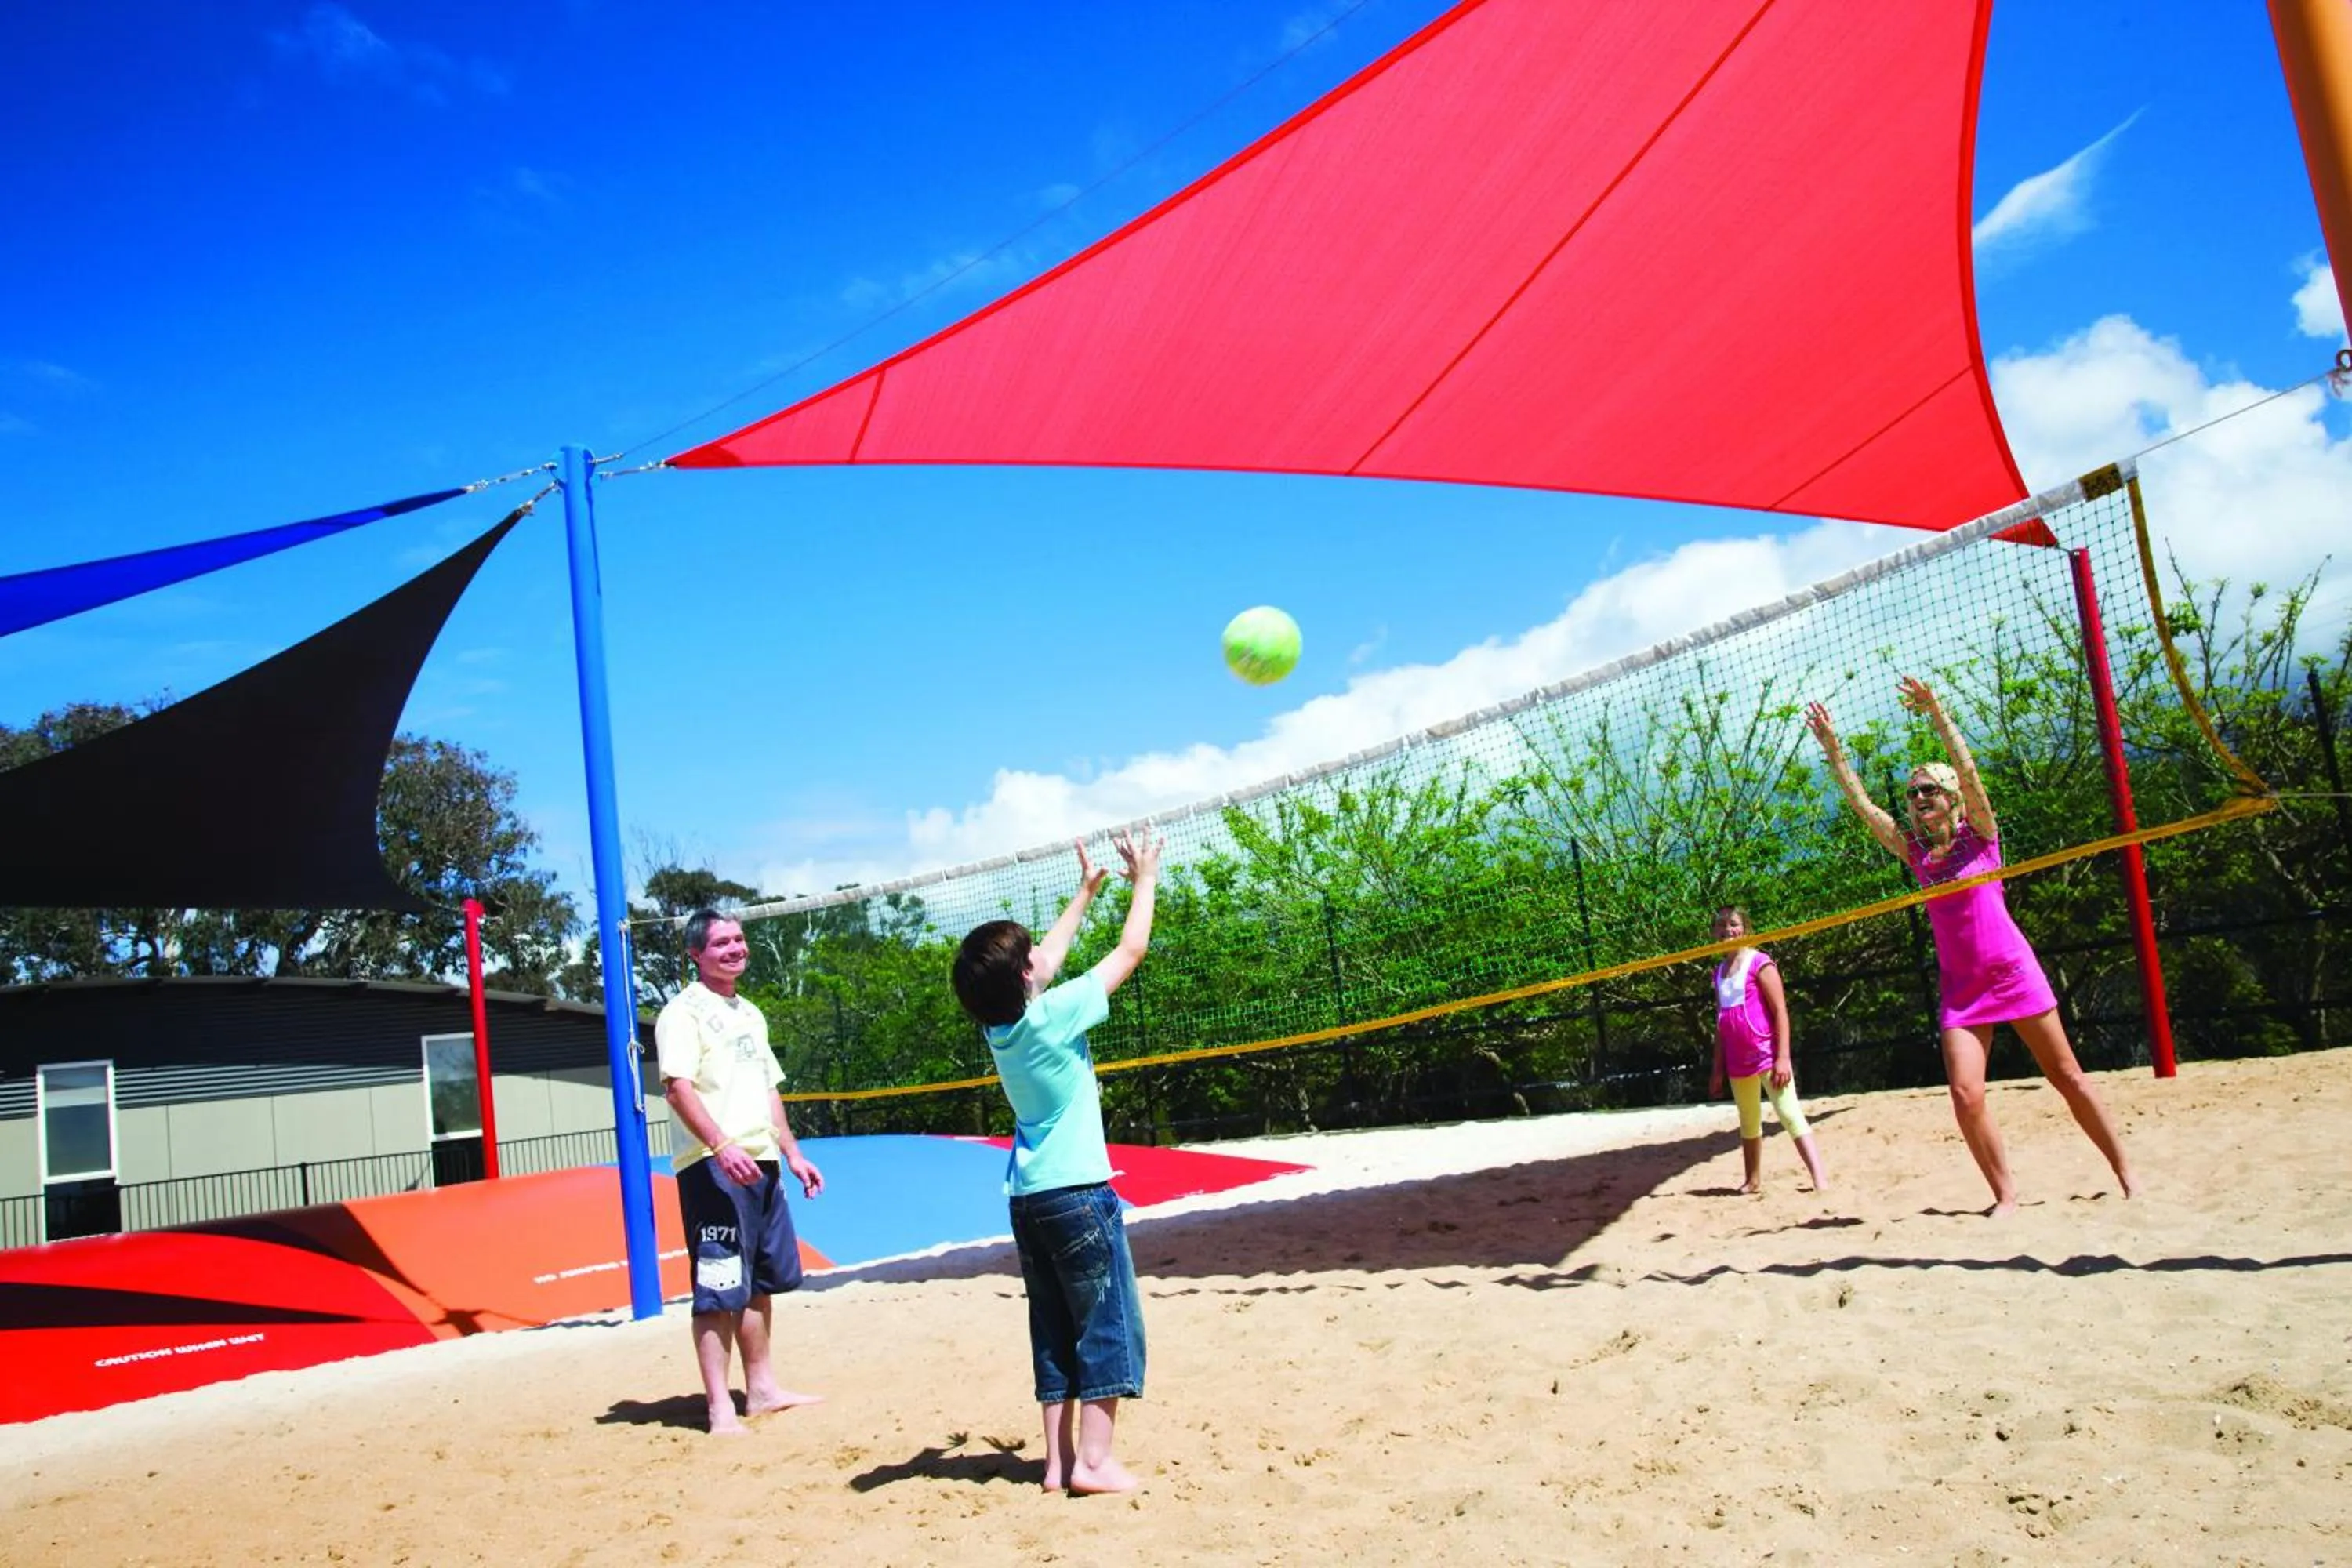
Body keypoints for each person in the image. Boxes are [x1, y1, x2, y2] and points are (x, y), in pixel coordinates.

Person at [1806, 677, 2138, 1214]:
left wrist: (1936, 711)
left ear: (1951, 798)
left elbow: (1972, 772)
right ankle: (2005, 1195)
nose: (1917, 801)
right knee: (1965, 1095)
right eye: (1912, 794)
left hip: (2011, 972)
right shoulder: (1916, 853)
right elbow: (1865, 807)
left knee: (2067, 1076)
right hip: (1963, 988)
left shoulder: (1980, 836)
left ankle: (2125, 1171)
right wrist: (1834, 752)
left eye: (1928, 791)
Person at [950, 830, 1161, 1496]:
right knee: (1108, 1324)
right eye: (1030, 959)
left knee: (1053, 1326)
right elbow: (1133, 950)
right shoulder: (1054, 1016)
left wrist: (1086, 892)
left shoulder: (1000, 1026)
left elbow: (1044, 960)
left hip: (1028, 1199)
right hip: (1078, 1195)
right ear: (1024, 979)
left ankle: (1056, 1463)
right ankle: (1094, 1465)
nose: (1043, 958)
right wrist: (1143, 878)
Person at [656, 909, 827, 1436]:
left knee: (759, 1283)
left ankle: (762, 1390)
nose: (736, 948)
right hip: (714, 1165)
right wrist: (720, 1144)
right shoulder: (682, 1013)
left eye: (740, 939)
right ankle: (718, 1407)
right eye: (722, 942)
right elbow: (677, 1086)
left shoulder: (750, 1012)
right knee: (718, 1284)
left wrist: (793, 1153)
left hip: (763, 1161)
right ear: (696, 954)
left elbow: (768, 1089)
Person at [1706, 906, 1828, 1194]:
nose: (1727, 930)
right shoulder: (1719, 972)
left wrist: (1783, 1057)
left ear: (1746, 928)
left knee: (1788, 1112)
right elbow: (1721, 1024)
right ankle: (1753, 1179)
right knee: (1748, 1120)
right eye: (1721, 925)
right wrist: (1717, 1070)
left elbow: (1781, 1011)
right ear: (1713, 933)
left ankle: (1819, 1178)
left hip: (1765, 1053)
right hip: (1737, 1059)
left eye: (1733, 924)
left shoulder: (1759, 962)